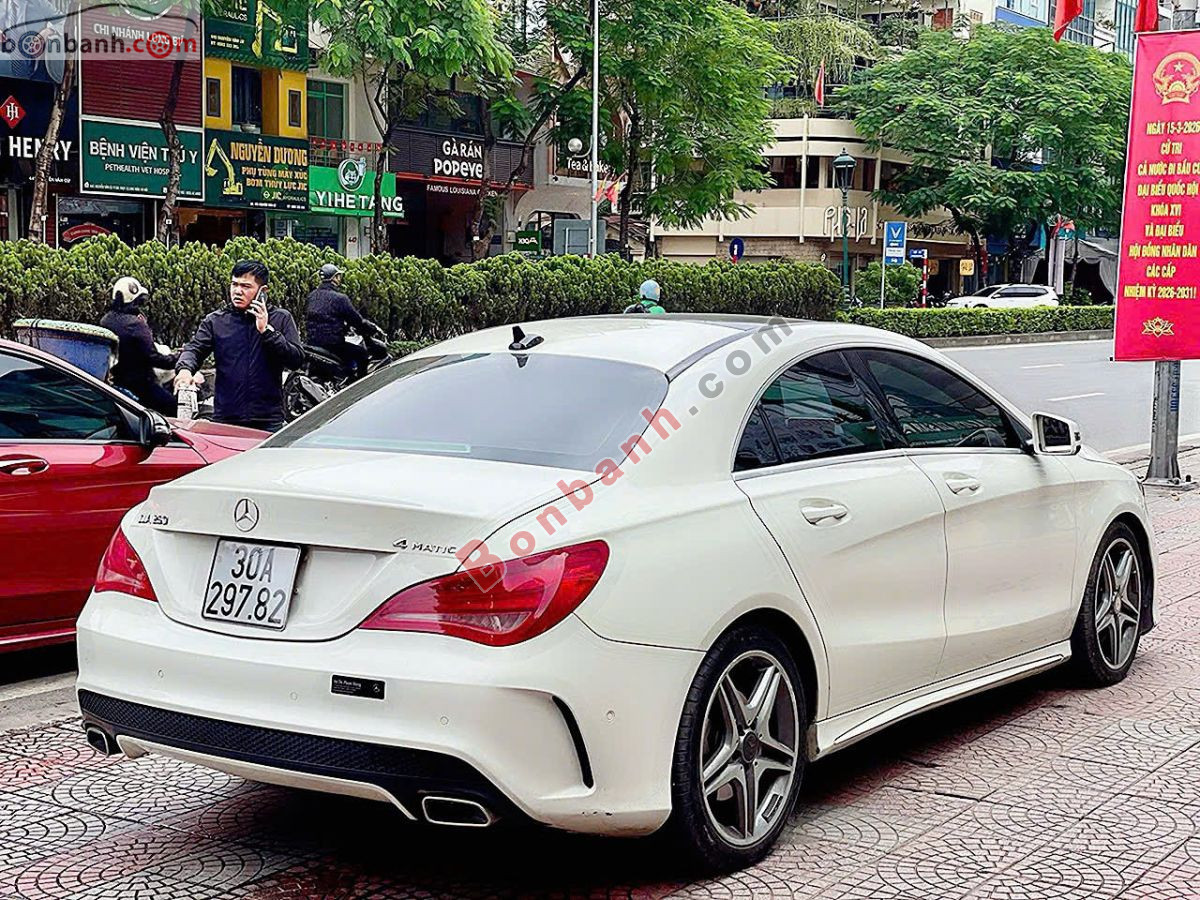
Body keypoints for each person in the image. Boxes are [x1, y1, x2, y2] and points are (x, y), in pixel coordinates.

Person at [174, 260, 304, 432]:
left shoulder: (281, 318)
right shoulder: (217, 320)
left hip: (268, 418)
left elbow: (296, 360)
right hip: (226, 417)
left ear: (262, 291)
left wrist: (267, 331)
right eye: (234, 284)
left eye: (246, 286)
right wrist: (185, 370)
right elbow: (195, 349)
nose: (237, 291)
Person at [100, 276, 178, 416]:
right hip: (141, 385)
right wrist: (178, 358)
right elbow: (154, 358)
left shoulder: (106, 320)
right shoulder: (135, 325)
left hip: (119, 382)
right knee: (173, 407)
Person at [305, 262, 374, 382]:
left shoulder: (311, 296)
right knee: (362, 355)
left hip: (312, 343)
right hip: (333, 345)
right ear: (334, 278)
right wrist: (371, 328)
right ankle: (360, 387)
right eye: (338, 276)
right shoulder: (340, 298)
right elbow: (356, 320)